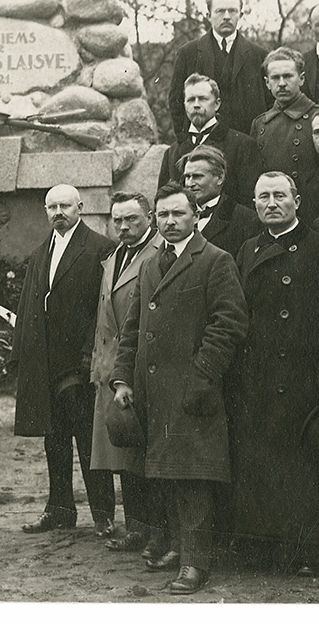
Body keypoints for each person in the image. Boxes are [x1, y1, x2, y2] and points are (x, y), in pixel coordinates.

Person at [111, 182, 248, 595]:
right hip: (153, 393)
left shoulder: (215, 260)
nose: (170, 221)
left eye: (179, 213)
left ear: (196, 216)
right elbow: (132, 327)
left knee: (193, 480)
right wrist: (122, 378)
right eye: (164, 215)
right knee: (165, 478)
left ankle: (195, 563)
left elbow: (229, 323)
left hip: (193, 392)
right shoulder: (152, 263)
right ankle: (176, 548)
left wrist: (201, 376)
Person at [230, 172, 319, 574]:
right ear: (255, 204)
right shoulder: (248, 248)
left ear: (297, 201)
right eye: (263, 197)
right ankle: (265, 548)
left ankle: (308, 551)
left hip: (302, 376)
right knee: (262, 462)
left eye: (280, 195)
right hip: (258, 375)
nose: (271, 203)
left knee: (304, 466)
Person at [12, 183, 118, 534]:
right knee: (54, 439)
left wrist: (91, 355)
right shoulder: (41, 252)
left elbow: (105, 307)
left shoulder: (100, 248)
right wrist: (22, 355)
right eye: (52, 207)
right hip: (47, 361)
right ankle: (59, 509)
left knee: (88, 440)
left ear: (80, 208)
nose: (58, 213)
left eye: (65, 206)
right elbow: (29, 304)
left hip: (81, 361)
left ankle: (103, 514)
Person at [89, 192, 162, 556]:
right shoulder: (115, 256)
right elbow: (104, 318)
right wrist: (99, 367)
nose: (123, 226)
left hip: (141, 368)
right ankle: (136, 528)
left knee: (144, 457)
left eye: (132, 219)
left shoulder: (159, 254)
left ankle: (154, 532)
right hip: (111, 369)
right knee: (122, 455)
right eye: (117, 220)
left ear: (150, 218)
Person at [166, 0, 271, 137]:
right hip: (202, 144)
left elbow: (269, 106)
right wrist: (186, 142)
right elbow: (176, 102)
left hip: (247, 144)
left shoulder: (259, 56)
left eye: (232, 11)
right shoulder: (187, 54)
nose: (226, 16)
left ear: (241, 14)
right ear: (209, 15)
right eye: (220, 11)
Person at [158, 73, 261, 204]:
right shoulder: (172, 152)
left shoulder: (242, 145)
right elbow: (162, 200)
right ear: (184, 104)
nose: (196, 105)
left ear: (217, 104)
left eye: (202, 99)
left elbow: (247, 201)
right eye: (190, 100)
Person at [250, 47, 319, 183]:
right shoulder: (259, 123)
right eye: (275, 78)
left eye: (288, 76)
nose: (282, 84)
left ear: (301, 79)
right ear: (267, 83)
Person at [180, 145, 261, 257]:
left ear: (220, 178)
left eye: (197, 176)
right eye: (187, 177)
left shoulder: (246, 220)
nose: (190, 183)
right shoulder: (176, 215)